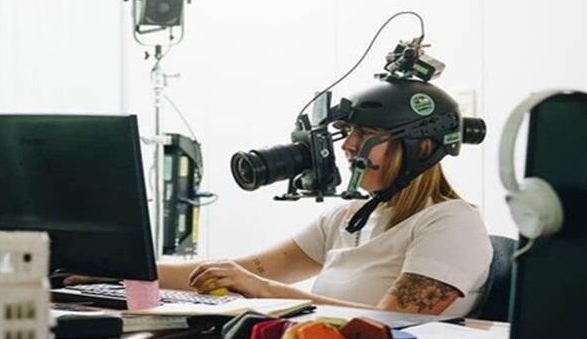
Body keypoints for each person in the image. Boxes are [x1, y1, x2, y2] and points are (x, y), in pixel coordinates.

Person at [157, 79, 492, 317]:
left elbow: (395, 321)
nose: (347, 145)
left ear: (421, 146)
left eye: (366, 134)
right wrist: (128, 269)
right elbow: (243, 271)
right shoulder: (347, 217)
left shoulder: (452, 222)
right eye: (348, 132)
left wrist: (265, 290)